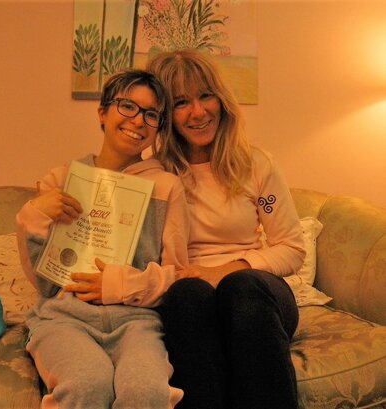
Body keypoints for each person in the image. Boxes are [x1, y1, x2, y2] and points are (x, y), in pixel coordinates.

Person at [15, 69, 190, 409]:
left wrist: (123, 285)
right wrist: (32, 214)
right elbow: (45, 283)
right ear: (102, 112)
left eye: (151, 114)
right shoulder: (62, 179)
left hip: (137, 322)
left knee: (146, 391)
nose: (138, 120)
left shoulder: (167, 187)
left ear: (158, 126)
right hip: (64, 319)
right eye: (128, 106)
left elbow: (177, 276)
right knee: (87, 383)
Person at [147, 49, 306, 409]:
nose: (198, 112)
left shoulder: (257, 165)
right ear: (165, 114)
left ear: (221, 99)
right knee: (187, 294)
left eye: (206, 95)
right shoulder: (152, 174)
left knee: (241, 286)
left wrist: (220, 271)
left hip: (258, 299)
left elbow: (292, 248)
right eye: (181, 102)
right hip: (191, 300)